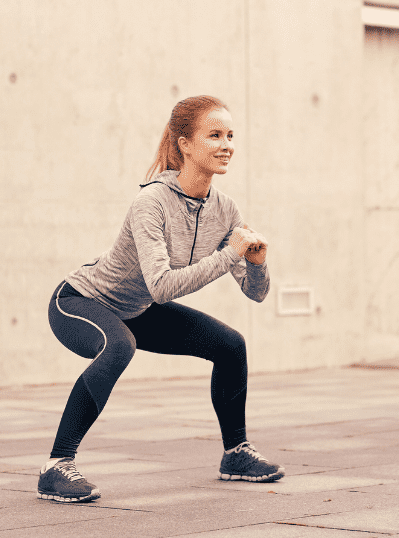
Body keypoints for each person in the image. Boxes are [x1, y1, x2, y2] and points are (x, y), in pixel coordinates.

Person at [38, 95, 285, 503]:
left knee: (230, 344)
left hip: (137, 309)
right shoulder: (150, 202)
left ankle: (236, 453)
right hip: (81, 301)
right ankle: (56, 465)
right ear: (185, 144)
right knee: (119, 346)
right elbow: (162, 287)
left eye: (230, 135)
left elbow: (255, 294)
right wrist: (228, 255)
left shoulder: (225, 209)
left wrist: (257, 263)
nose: (227, 145)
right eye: (214, 135)